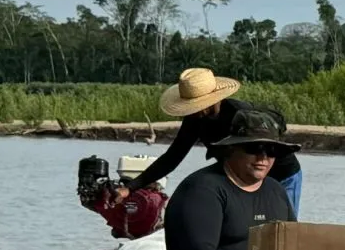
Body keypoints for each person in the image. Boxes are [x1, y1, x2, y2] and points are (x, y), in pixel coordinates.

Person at [149, 106, 299, 250]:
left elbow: (293, 246)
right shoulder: (202, 189)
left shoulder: (276, 191)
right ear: (231, 148)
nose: (263, 157)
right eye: (254, 147)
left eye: (271, 150)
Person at [121, 66, 305, 215]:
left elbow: (272, 137)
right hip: (243, 177)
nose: (195, 110)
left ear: (214, 98)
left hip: (282, 174)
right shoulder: (195, 120)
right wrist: (131, 187)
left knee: (282, 229)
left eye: (199, 104)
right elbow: (173, 157)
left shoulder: (239, 114)